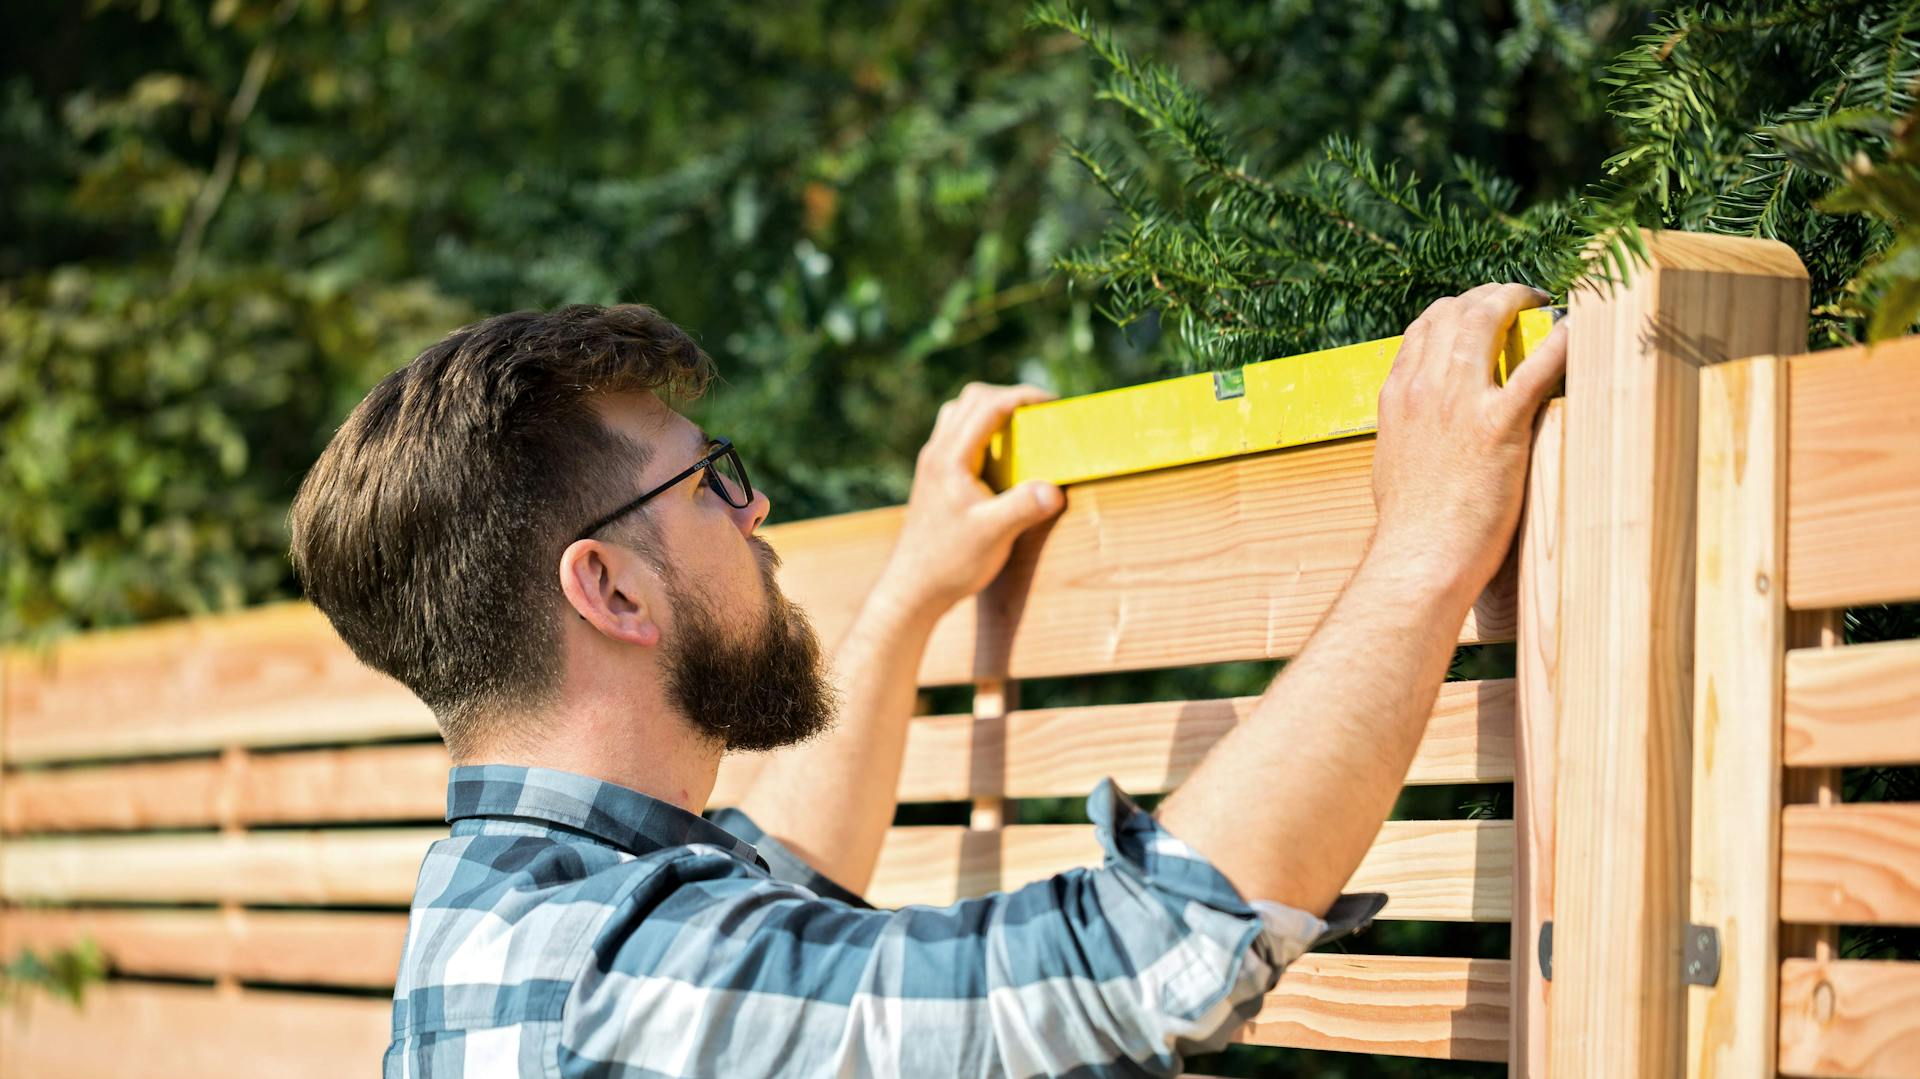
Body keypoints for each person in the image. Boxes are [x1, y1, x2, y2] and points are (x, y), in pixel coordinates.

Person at [289, 283, 1567, 1078]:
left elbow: (770, 881)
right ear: (610, 592)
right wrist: (1424, 543)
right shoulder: (617, 978)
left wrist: (911, 587)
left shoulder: (511, 903)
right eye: (710, 480)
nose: (758, 505)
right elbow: (1147, 958)